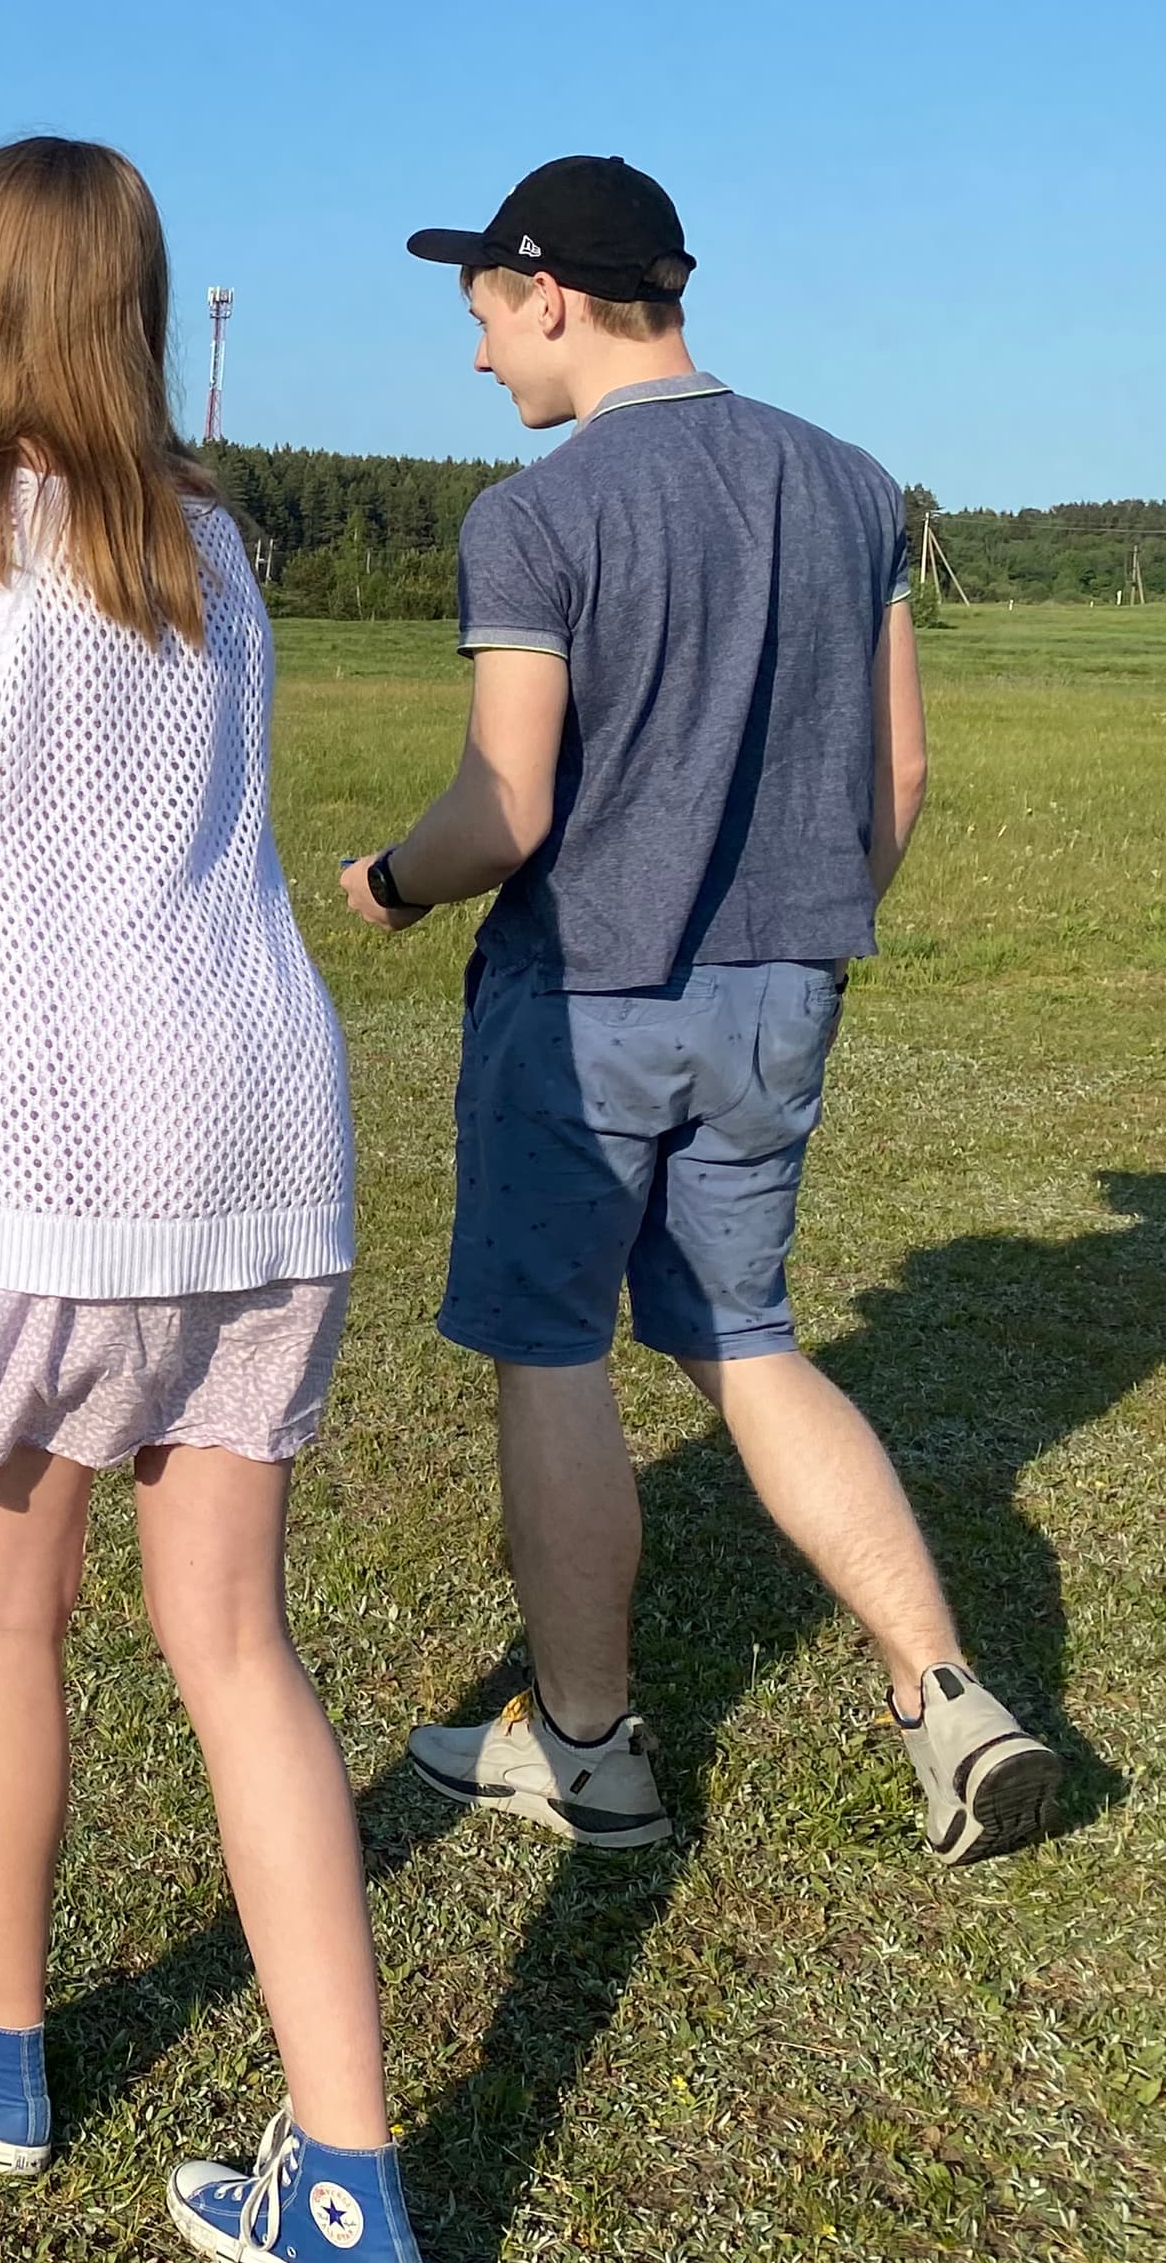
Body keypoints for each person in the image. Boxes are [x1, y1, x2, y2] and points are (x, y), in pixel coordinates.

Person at [0, 136, 436, 2263]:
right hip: (262, 1152)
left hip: (38, 1164)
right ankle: (350, 2186)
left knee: (2, 1629)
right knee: (235, 1646)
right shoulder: (212, 547)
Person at [344, 155, 1059, 1864]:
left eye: (486, 319)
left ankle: (586, 1743)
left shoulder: (536, 516)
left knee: (551, 1349)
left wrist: (386, 880)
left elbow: (504, 810)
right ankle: (945, 1692)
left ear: (556, 297)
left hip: (581, 1004)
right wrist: (805, 933)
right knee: (748, 1340)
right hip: (781, 996)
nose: (481, 361)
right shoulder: (852, 483)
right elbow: (899, 772)